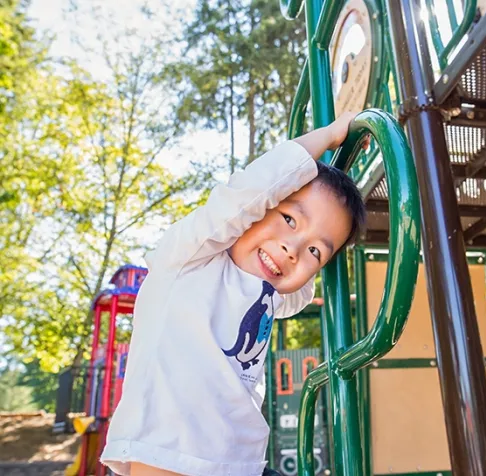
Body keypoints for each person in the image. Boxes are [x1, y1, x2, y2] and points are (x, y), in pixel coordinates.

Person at [100, 112, 367, 476]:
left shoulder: (270, 295)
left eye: (314, 251)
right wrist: (328, 136)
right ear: (258, 207)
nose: (293, 249)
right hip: (168, 453)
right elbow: (250, 189)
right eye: (289, 219)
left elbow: (302, 288)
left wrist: (320, 251)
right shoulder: (188, 259)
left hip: (237, 463)